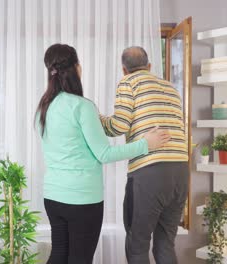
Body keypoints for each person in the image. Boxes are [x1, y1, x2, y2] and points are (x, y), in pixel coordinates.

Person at [35, 44, 171, 264]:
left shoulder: (45, 107)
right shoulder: (82, 106)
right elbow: (104, 153)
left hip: (53, 196)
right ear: (77, 68)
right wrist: (146, 143)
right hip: (81, 199)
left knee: (59, 254)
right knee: (80, 259)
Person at [100, 46, 189, 264]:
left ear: (124, 70)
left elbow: (118, 126)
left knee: (138, 245)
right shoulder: (171, 88)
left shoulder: (128, 83)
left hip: (150, 173)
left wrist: (98, 118)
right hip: (180, 172)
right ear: (149, 66)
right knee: (165, 243)